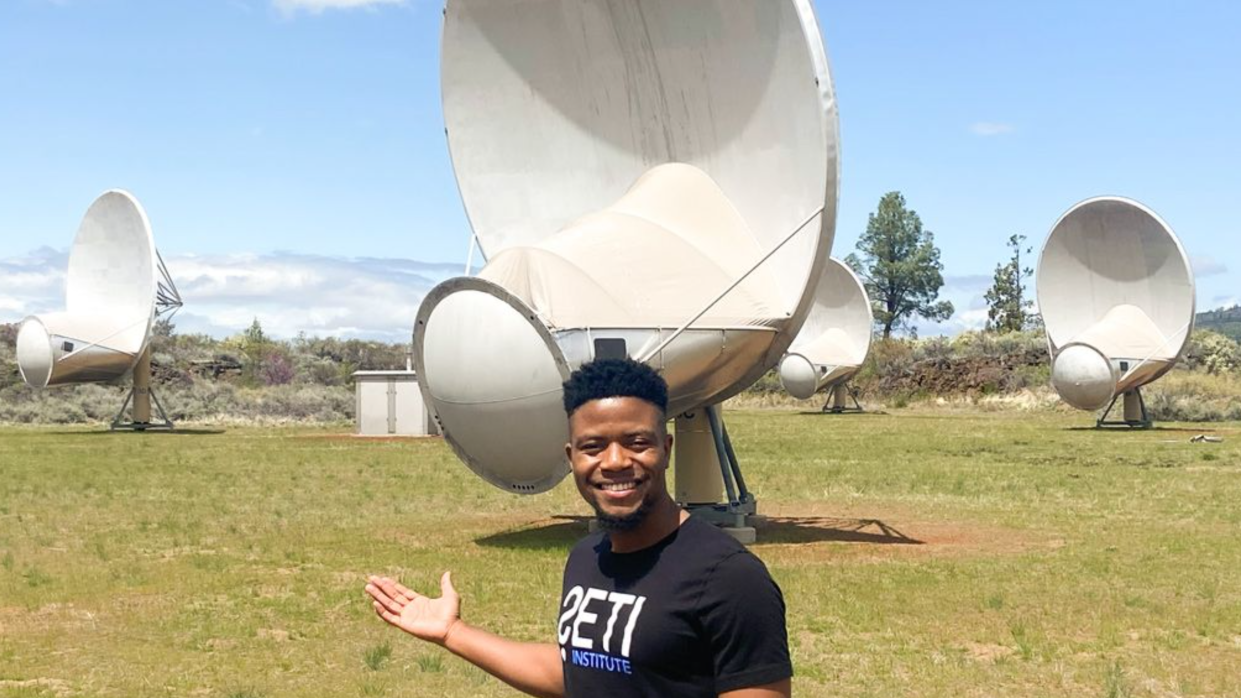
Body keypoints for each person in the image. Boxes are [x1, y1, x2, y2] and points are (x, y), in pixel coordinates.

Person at [365, 358, 792, 697]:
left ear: (665, 449)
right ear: (572, 458)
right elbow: (582, 673)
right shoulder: (588, 557)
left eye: (636, 442)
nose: (615, 461)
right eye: (593, 447)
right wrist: (453, 633)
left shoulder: (729, 579)